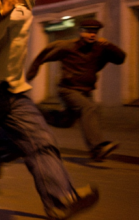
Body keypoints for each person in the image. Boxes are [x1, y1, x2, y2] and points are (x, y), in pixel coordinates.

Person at [0, 0, 99, 220]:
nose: (13, 2)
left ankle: (60, 200)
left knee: (42, 141)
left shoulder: (21, 13)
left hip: (14, 94)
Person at [26, 18, 126, 161]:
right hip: (68, 89)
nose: (92, 35)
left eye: (95, 32)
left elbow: (120, 59)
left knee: (65, 121)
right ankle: (97, 147)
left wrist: (109, 45)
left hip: (86, 91)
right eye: (88, 32)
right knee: (89, 108)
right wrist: (28, 77)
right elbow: (43, 56)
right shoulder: (67, 46)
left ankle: (35, 111)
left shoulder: (100, 48)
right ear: (80, 32)